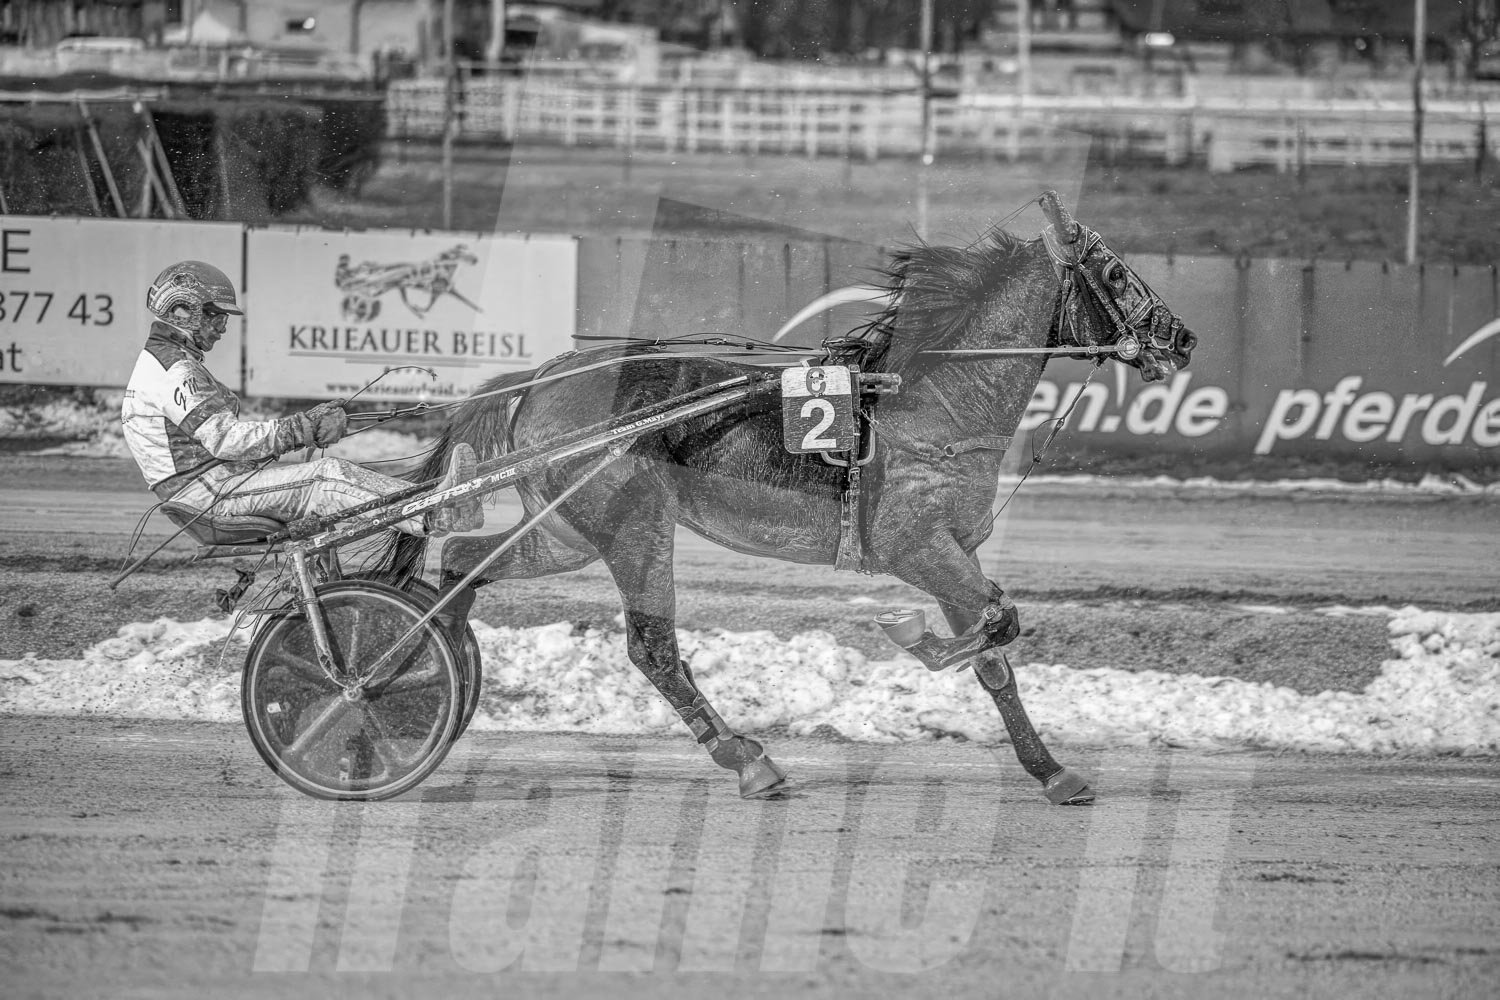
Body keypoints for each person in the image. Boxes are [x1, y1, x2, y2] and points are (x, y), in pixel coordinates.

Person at [121, 260, 484, 538]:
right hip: (210, 496)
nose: (222, 327)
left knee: (330, 475)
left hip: (214, 486)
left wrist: (305, 428)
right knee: (328, 476)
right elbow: (228, 441)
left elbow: (222, 445)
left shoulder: (169, 364)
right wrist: (303, 427)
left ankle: (437, 501)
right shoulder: (175, 371)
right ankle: (434, 511)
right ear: (182, 310)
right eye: (214, 315)